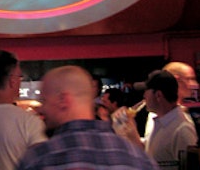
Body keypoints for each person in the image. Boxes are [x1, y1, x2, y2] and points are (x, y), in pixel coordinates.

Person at [16, 65, 158, 170]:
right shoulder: (138, 158)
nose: (41, 108)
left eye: (44, 100)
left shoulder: (39, 159)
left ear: (63, 100)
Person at [113, 70, 198, 170]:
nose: (144, 96)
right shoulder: (154, 120)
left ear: (158, 95)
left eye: (146, 91)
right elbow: (152, 155)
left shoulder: (182, 130)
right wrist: (131, 135)